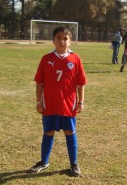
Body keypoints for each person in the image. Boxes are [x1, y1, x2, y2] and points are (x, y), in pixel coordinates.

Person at [29, 26, 87, 176]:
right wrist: (38, 102)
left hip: (68, 105)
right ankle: (44, 161)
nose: (62, 41)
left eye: (65, 38)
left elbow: (80, 83)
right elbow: (39, 83)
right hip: (49, 104)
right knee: (48, 132)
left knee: (70, 132)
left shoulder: (75, 59)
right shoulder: (46, 59)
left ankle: (74, 164)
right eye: (59, 38)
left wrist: (81, 102)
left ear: (70, 41)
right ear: (53, 40)